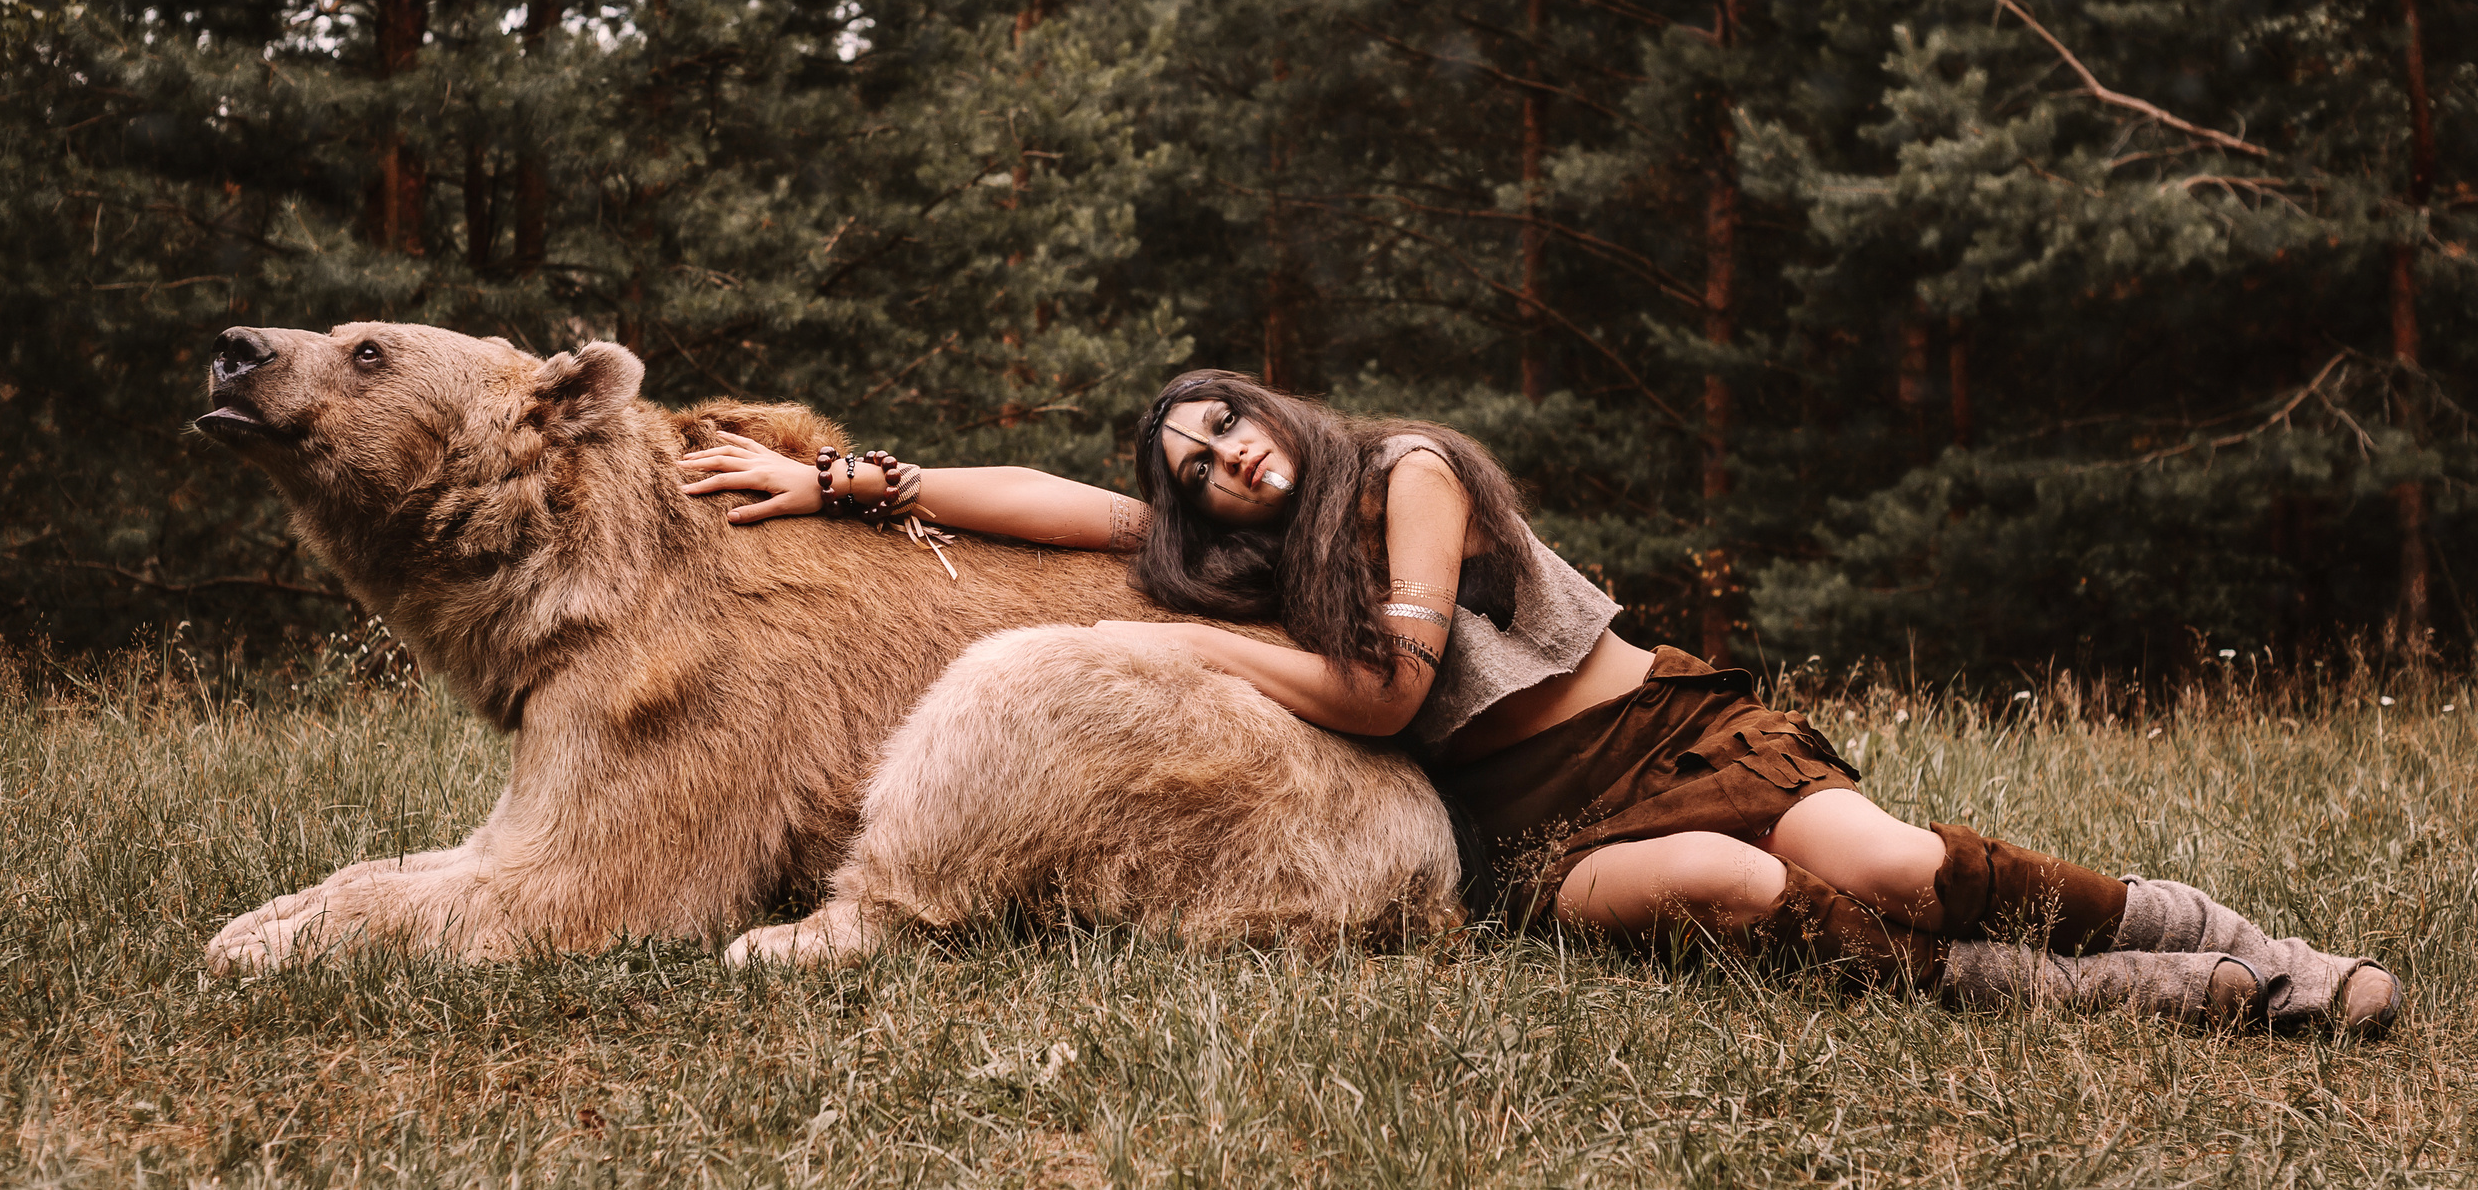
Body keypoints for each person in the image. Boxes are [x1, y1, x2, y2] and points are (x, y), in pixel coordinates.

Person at [678, 369, 2398, 1033]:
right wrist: (849, 484)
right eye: (1200, 464)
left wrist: (1197, 649)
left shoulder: (1408, 475)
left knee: (1870, 866)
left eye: (1231, 419)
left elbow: (1384, 690)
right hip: (1522, 825)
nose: (1226, 456)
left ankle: (2249, 947)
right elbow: (1059, 501)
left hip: (1668, 732)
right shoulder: (1240, 557)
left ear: (1281, 409)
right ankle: (2135, 999)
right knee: (1733, 905)